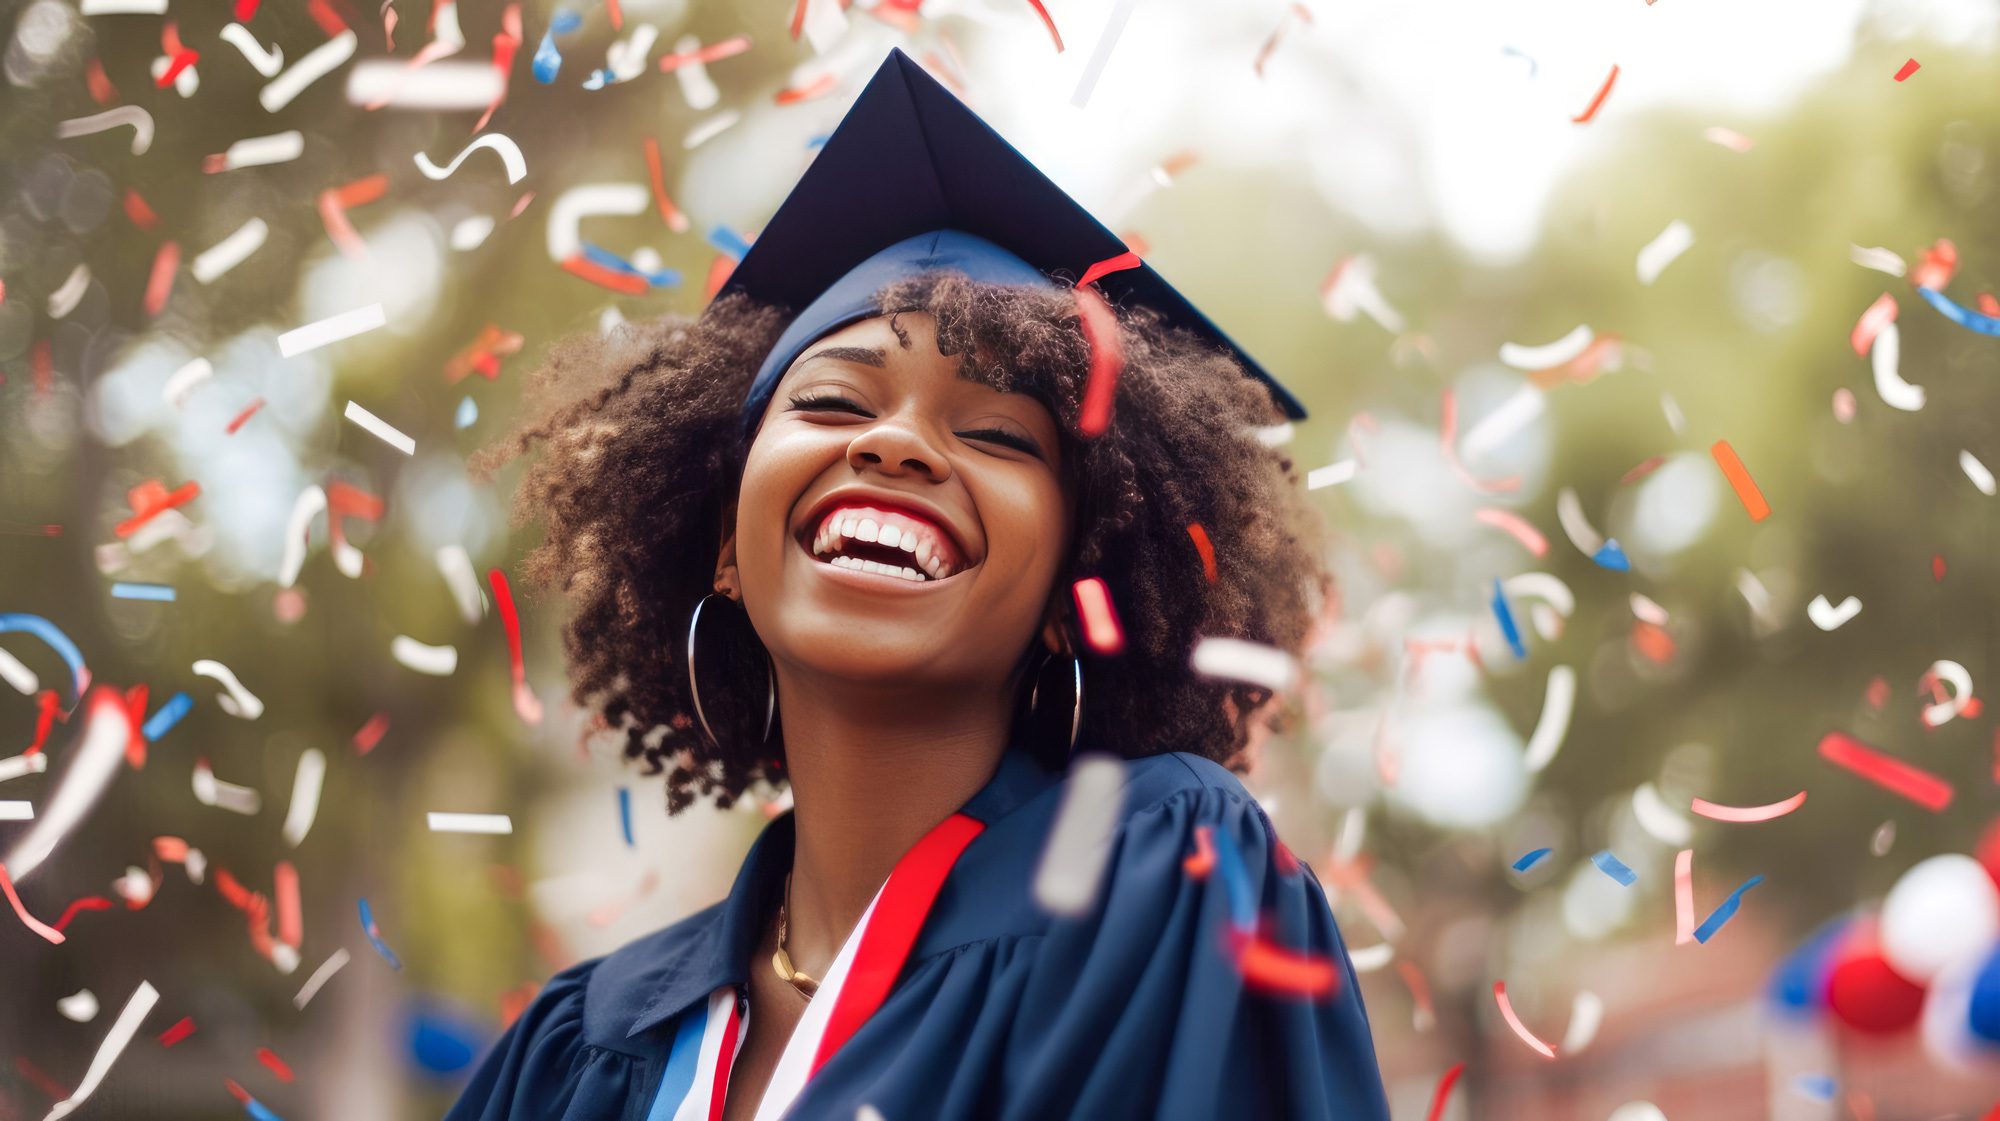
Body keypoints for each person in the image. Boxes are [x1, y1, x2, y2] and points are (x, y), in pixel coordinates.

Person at [447, 47, 1390, 1121]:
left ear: (1068, 592)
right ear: (723, 542)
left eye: (994, 431)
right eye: (836, 404)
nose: (895, 444)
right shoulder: (577, 1050)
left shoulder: (1154, 883)